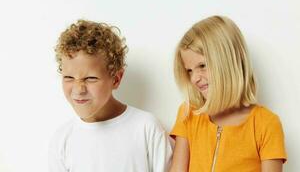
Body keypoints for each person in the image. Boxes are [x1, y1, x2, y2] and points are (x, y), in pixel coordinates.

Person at [49, 20, 172, 172]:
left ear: (116, 79)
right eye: (69, 77)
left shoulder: (146, 127)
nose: (79, 89)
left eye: (90, 78)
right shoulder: (62, 140)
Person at [169, 16, 287, 172]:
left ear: (228, 62)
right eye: (189, 70)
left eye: (202, 65)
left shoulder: (266, 124)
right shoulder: (188, 114)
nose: (195, 78)